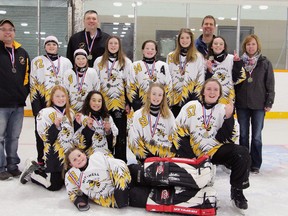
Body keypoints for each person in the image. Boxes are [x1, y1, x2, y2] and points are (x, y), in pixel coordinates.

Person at [173, 78, 251, 211]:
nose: (212, 92)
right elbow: (178, 131)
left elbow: (226, 138)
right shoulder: (191, 107)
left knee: (242, 153)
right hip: (193, 153)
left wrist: (228, 117)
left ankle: (237, 190)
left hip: (215, 151)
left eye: (216, 89)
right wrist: (190, 155)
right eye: (209, 89)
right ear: (203, 91)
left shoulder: (223, 109)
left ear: (220, 93)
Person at [20, 85, 75, 191]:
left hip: (67, 156)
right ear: (52, 98)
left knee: (67, 182)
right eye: (57, 96)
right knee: (54, 186)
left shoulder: (71, 113)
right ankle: (33, 171)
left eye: (63, 96)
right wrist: (55, 126)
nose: (61, 99)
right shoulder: (44, 113)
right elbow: (45, 138)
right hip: (53, 156)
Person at [235, 34, 275, 174]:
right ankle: (244, 162)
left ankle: (256, 164)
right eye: (248, 44)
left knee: (256, 136)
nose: (250, 47)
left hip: (259, 105)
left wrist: (269, 101)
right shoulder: (239, 62)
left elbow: (270, 83)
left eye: (253, 44)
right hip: (242, 105)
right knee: (244, 135)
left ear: (257, 45)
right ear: (244, 46)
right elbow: (235, 83)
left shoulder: (265, 63)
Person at [30, 35, 72, 168]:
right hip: (44, 104)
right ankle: (41, 159)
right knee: (41, 132)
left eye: (54, 44)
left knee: (62, 131)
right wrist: (36, 108)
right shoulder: (37, 61)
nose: (51, 46)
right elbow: (33, 85)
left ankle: (60, 159)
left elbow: (70, 84)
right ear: (44, 46)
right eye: (48, 44)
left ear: (58, 46)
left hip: (61, 103)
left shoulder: (66, 62)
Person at [0, 19, 30, 180]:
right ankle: (0, 167)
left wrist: (22, 94)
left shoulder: (22, 53)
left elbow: (27, 78)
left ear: (14, 32)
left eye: (10, 29)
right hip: (1, 105)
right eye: (3, 29)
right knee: (0, 137)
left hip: (18, 104)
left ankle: (12, 165)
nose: (7, 32)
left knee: (14, 137)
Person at [93, 35, 131, 162]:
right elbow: (95, 83)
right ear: (107, 45)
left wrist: (128, 103)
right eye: (111, 43)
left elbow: (129, 84)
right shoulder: (99, 61)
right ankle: (106, 160)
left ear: (119, 46)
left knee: (120, 134)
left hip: (119, 104)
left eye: (116, 43)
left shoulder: (125, 62)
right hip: (103, 104)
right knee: (106, 131)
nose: (113, 46)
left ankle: (120, 162)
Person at [64, 147, 131, 211]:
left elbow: (117, 164)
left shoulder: (96, 157)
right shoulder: (72, 175)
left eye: (79, 155)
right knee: (139, 197)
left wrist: (121, 185)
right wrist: (80, 200)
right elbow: (73, 193)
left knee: (139, 173)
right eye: (74, 160)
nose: (78, 159)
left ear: (84, 154)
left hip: (125, 177)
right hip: (112, 197)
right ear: (71, 164)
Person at [128, 82, 176, 164]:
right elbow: (133, 139)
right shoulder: (138, 115)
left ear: (163, 97)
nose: (156, 97)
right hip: (146, 160)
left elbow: (175, 137)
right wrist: (145, 158)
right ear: (149, 95)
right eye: (154, 94)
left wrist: (169, 156)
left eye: (160, 95)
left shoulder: (169, 115)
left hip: (165, 160)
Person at [167, 28, 205, 117]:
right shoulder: (171, 56)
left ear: (191, 40)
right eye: (182, 38)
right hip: (174, 100)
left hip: (190, 99)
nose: (185, 40)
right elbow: (167, 78)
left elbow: (200, 79)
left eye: (187, 38)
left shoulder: (198, 57)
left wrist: (195, 99)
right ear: (178, 40)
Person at [128, 40, 172, 111]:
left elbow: (168, 85)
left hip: (159, 105)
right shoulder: (135, 65)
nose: (149, 51)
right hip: (140, 106)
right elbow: (130, 85)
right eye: (147, 48)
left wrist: (165, 103)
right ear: (143, 50)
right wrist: (136, 104)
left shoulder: (163, 65)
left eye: (152, 49)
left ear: (156, 51)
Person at [74, 90, 118, 155]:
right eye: (94, 100)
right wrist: (88, 128)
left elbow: (112, 144)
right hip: (89, 156)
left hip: (105, 155)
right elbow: (79, 144)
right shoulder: (82, 117)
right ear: (88, 101)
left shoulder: (107, 117)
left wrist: (108, 131)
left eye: (99, 101)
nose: (97, 103)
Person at [206, 36, 246, 104]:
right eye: (215, 43)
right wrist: (209, 71)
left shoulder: (232, 59)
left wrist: (237, 64)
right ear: (211, 46)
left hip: (228, 101)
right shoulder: (207, 61)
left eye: (221, 44)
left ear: (224, 47)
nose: (218, 45)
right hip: (211, 100)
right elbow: (204, 83)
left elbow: (239, 78)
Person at [63, 49, 100, 113]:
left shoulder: (92, 72)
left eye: (83, 58)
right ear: (74, 60)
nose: (81, 61)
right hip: (72, 108)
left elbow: (97, 89)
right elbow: (65, 91)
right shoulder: (68, 73)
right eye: (78, 58)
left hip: (88, 108)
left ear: (86, 59)